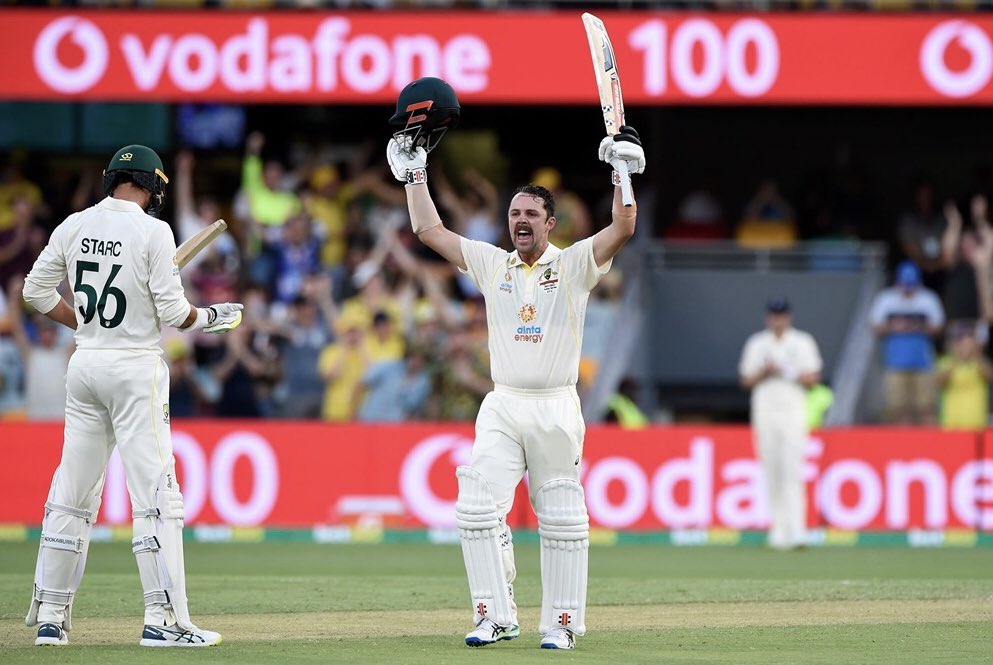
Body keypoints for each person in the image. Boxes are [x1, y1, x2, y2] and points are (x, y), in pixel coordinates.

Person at [386, 76, 645, 651]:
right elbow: (429, 230)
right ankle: (494, 615)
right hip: (502, 404)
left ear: (551, 223)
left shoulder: (575, 263)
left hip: (554, 404)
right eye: (514, 213)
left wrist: (622, 171)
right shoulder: (492, 264)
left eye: (531, 213)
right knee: (476, 506)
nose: (520, 221)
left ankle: (561, 626)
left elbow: (623, 226)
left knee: (561, 518)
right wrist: (415, 174)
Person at [20, 144, 242, 648]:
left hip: (85, 365)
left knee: (72, 493)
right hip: (134, 369)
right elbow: (173, 311)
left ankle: (52, 617)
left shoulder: (73, 225)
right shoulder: (153, 231)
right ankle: (163, 619)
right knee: (157, 497)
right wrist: (213, 317)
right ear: (151, 186)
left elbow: (34, 291)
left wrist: (82, 322)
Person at [738, 297, 822, 551]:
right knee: (771, 470)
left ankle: (797, 530)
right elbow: (746, 380)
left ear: (789, 317)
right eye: (774, 315)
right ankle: (778, 530)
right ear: (768, 318)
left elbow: (813, 379)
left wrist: (789, 371)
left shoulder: (802, 342)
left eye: (782, 315)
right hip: (765, 411)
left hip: (793, 411)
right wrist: (766, 371)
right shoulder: (757, 343)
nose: (778, 320)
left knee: (792, 470)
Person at [868, 260, 945, 424]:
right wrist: (894, 327)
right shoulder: (886, 299)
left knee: (926, 406)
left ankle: (930, 446)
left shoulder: (928, 299)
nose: (908, 290)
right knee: (897, 407)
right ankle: (901, 446)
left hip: (923, 361)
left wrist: (918, 327)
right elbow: (875, 325)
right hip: (895, 361)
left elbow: (938, 327)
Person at [936, 321, 993, 430]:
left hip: (977, 425)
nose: (965, 346)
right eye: (961, 342)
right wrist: (958, 359)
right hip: (951, 425)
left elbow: (990, 376)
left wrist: (976, 356)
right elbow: (939, 381)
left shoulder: (982, 362)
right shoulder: (945, 362)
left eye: (968, 342)